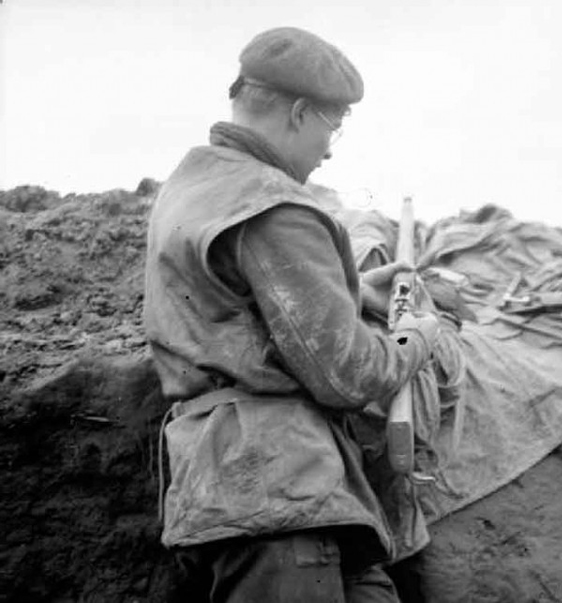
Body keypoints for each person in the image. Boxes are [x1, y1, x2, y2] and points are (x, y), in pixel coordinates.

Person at [143, 26, 440, 602]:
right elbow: (347, 373)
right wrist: (415, 338)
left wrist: (349, 294)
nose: (329, 151)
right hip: (280, 500)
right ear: (301, 113)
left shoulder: (195, 186)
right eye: (333, 127)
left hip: (255, 492)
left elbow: (231, 309)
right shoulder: (273, 203)